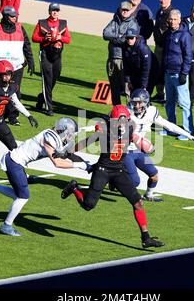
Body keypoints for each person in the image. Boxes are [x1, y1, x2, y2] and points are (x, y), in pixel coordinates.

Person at [61, 105, 165, 249]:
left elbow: (139, 141)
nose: (122, 125)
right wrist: (67, 152)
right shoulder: (104, 131)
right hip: (102, 170)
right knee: (88, 205)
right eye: (118, 122)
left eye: (124, 122)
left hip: (119, 170)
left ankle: (146, 238)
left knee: (138, 202)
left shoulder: (130, 128)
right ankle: (74, 188)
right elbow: (86, 143)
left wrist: (147, 146)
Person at [0, 117, 90, 236]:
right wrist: (80, 165)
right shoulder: (50, 138)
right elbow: (57, 162)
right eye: (70, 134)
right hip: (14, 162)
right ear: (64, 131)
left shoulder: (55, 137)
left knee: (18, 195)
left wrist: (86, 163)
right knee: (23, 197)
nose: (70, 137)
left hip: (16, 162)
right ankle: (6, 226)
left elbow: (68, 154)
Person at [126, 89, 194, 202]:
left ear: (146, 102)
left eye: (140, 102)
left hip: (139, 150)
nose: (137, 105)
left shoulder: (151, 112)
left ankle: (148, 195)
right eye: (134, 102)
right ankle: (114, 179)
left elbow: (168, 125)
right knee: (135, 182)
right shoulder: (125, 112)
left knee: (154, 175)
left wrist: (186, 134)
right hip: (125, 151)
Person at [32, 3, 71, 116]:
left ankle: (41, 98)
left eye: (57, 10)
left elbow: (68, 39)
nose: (55, 12)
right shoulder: (42, 23)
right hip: (45, 54)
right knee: (47, 80)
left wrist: (60, 37)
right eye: (53, 10)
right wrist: (44, 38)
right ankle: (49, 107)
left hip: (57, 55)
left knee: (55, 77)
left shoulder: (63, 24)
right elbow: (34, 37)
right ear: (49, 11)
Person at [162, 9, 193, 140]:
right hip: (168, 73)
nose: (173, 21)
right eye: (171, 19)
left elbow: (188, 56)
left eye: (175, 19)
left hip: (178, 73)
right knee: (169, 102)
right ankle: (171, 128)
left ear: (179, 20)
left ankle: (187, 131)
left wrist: (184, 73)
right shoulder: (168, 33)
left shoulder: (185, 35)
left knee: (184, 104)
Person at [103, 1, 139, 106]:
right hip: (112, 59)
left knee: (127, 89)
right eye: (123, 10)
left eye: (126, 10)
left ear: (130, 11)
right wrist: (118, 37)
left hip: (124, 60)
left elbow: (126, 40)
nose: (124, 12)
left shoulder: (133, 23)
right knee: (114, 88)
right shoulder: (115, 20)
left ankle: (130, 112)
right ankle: (117, 111)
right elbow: (105, 33)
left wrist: (115, 38)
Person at [122, 27, 158, 96]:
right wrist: (128, 81)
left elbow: (146, 69)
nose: (129, 40)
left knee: (143, 96)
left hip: (151, 72)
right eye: (127, 38)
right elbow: (126, 65)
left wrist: (144, 86)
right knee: (134, 95)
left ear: (136, 38)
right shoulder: (124, 47)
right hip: (136, 71)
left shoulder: (143, 49)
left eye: (131, 38)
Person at [151, 0, 173, 103]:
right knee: (157, 70)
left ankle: (167, 96)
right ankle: (160, 93)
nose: (162, 1)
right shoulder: (159, 11)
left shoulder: (171, 13)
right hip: (158, 46)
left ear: (169, 0)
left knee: (166, 71)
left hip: (168, 48)